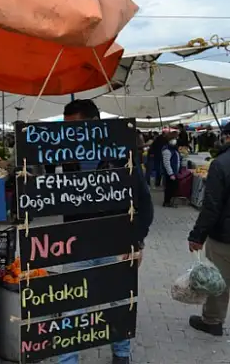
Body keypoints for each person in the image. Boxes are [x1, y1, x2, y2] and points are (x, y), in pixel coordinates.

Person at [57, 100, 154, 364]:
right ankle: (68, 360)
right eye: (66, 128)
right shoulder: (65, 155)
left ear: (95, 123)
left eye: (75, 126)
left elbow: (143, 202)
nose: (70, 133)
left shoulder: (122, 155)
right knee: (71, 304)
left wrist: (137, 241)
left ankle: (121, 354)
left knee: (117, 301)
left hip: (116, 243)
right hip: (76, 243)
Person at [187, 123, 230, 337]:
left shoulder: (221, 164)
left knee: (220, 280)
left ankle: (212, 320)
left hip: (224, 237)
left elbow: (212, 206)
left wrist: (197, 236)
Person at [161, 134, 181, 207]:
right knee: (169, 188)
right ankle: (167, 202)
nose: (175, 140)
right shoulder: (167, 150)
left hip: (174, 171)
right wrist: (171, 174)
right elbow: (166, 163)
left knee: (173, 187)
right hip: (170, 173)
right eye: (174, 139)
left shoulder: (173, 149)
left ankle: (170, 201)